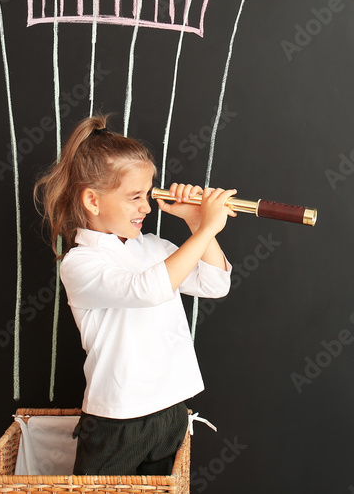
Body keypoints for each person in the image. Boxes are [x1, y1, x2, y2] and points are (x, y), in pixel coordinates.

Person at [34, 114, 237, 476]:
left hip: (171, 410)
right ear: (92, 201)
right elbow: (148, 290)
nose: (146, 207)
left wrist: (195, 223)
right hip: (118, 420)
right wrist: (205, 229)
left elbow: (215, 284)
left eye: (147, 195)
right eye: (134, 197)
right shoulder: (80, 263)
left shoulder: (154, 247)